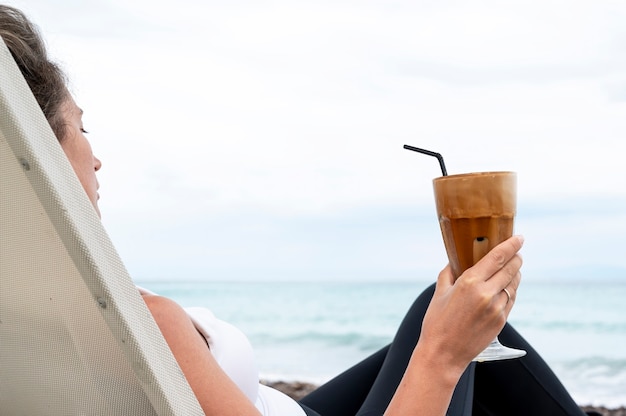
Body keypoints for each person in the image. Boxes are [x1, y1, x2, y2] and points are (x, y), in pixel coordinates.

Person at [1, 5, 592, 415]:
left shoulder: (37, 325)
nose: (97, 159)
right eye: (81, 129)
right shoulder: (141, 324)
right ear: (43, 154)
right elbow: (443, 355)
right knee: (459, 332)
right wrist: (444, 354)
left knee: (450, 309)